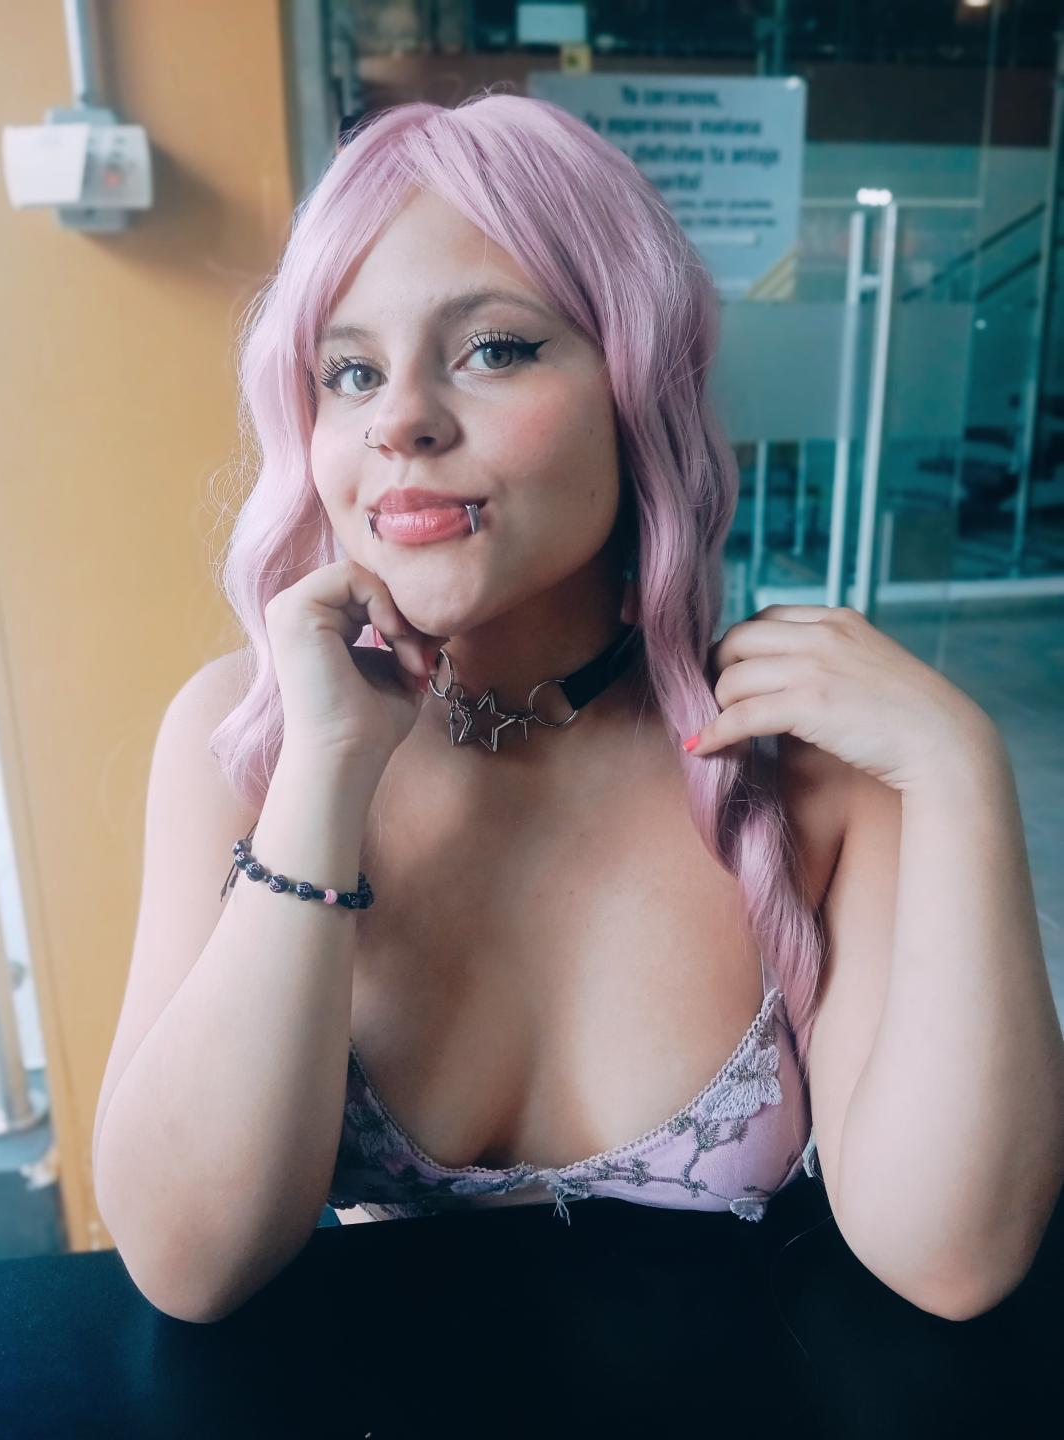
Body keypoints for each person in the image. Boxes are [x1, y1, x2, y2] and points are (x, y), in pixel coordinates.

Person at [92, 89, 1064, 1333]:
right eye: (350, 371)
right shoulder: (247, 741)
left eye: (494, 348)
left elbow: (954, 1259)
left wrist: (961, 774)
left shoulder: (803, 769)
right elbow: (186, 1265)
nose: (399, 419)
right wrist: (324, 775)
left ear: (639, 389)